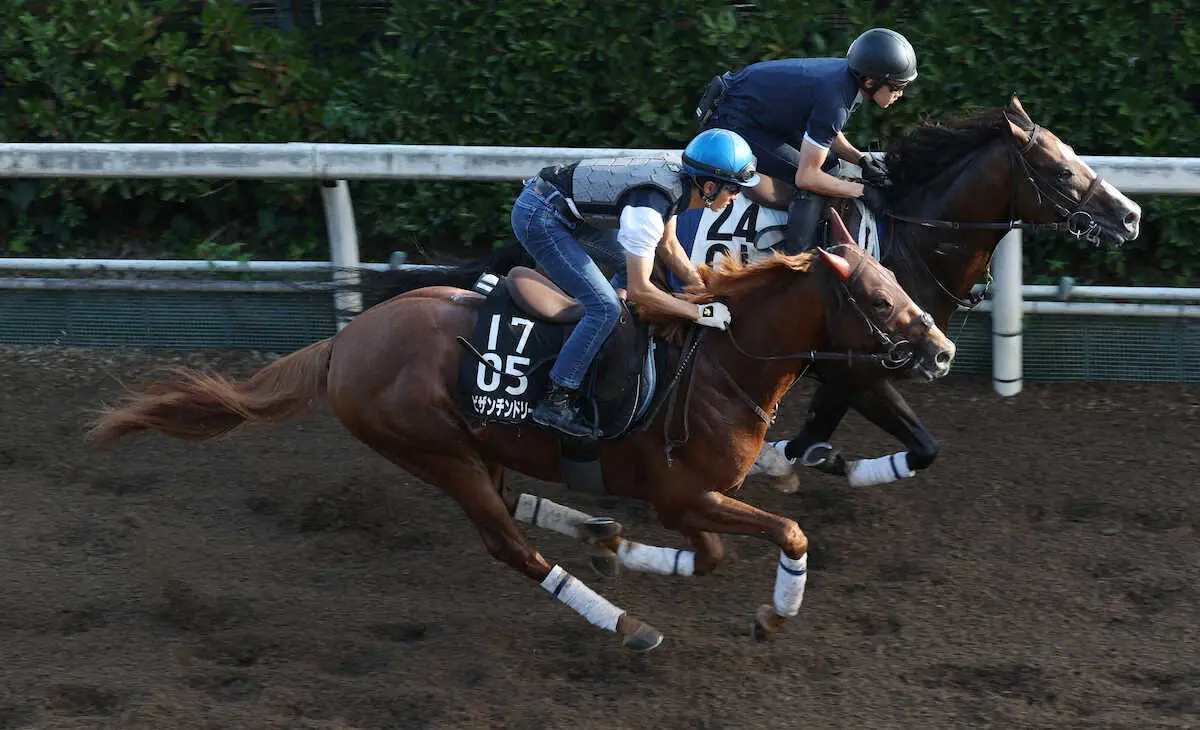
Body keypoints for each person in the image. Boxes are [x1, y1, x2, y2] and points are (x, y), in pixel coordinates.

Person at [511, 128, 760, 438]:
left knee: (626, 281)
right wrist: (699, 313)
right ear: (709, 186)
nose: (735, 199)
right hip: (540, 216)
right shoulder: (650, 207)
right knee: (604, 308)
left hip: (567, 211)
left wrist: (705, 290)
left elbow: (668, 246)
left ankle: (605, 326)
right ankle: (556, 397)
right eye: (733, 191)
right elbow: (642, 289)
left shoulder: (680, 183)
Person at [695, 28, 918, 253]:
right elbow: (807, 177)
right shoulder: (837, 97)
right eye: (896, 87)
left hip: (751, 110)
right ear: (871, 81)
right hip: (732, 119)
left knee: (831, 164)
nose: (899, 94)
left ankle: (796, 231)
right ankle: (796, 258)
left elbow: (825, 130)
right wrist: (862, 192)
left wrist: (860, 160)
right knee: (816, 183)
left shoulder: (848, 78)